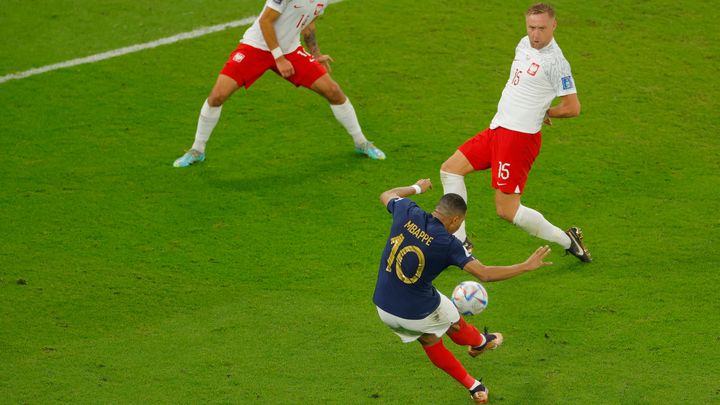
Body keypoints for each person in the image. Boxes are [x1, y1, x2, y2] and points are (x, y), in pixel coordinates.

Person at [373, 178, 552, 404]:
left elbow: (387, 193)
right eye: (461, 223)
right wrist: (525, 266)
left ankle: (474, 385)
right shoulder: (449, 244)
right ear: (455, 219)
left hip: (383, 307)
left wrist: (417, 188)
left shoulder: (408, 211)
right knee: (454, 324)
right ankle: (479, 342)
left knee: (429, 338)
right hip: (414, 310)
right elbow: (484, 273)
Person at [439, 3, 591, 262]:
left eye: (542, 28)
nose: (535, 34)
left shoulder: (557, 63)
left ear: (554, 26)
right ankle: (460, 241)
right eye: (531, 27)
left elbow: (573, 107)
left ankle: (569, 240)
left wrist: (547, 111)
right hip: (497, 129)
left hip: (519, 139)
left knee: (507, 211)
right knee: (450, 169)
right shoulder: (523, 44)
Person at [173, 0, 385, 167]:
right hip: (256, 47)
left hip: (290, 50)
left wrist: (315, 53)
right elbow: (266, 21)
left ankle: (362, 143)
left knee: (333, 91)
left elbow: (308, 22)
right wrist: (278, 57)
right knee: (218, 96)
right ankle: (197, 150)